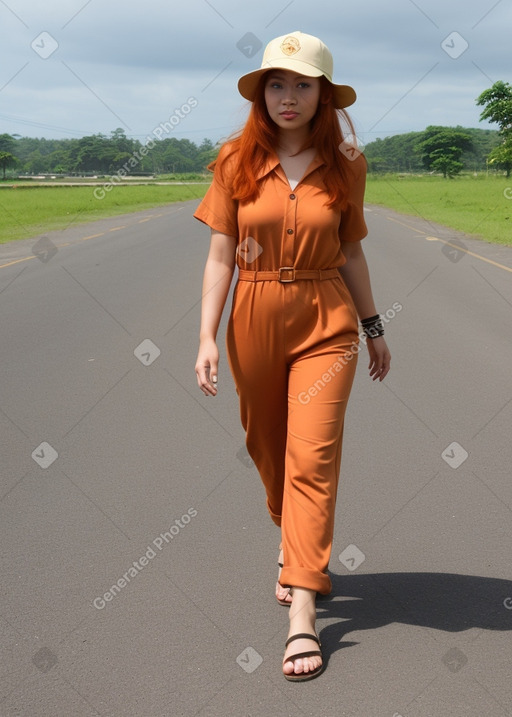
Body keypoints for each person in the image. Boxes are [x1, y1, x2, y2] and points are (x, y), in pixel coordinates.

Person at [193, 30, 391, 681]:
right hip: (250, 317)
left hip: (326, 321)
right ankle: (294, 536)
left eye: (302, 85)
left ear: (323, 96)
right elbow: (221, 255)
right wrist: (205, 337)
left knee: (313, 455)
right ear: (262, 93)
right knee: (268, 447)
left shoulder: (347, 165)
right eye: (277, 83)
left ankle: (302, 607)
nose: (288, 96)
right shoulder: (235, 161)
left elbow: (353, 251)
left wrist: (372, 325)